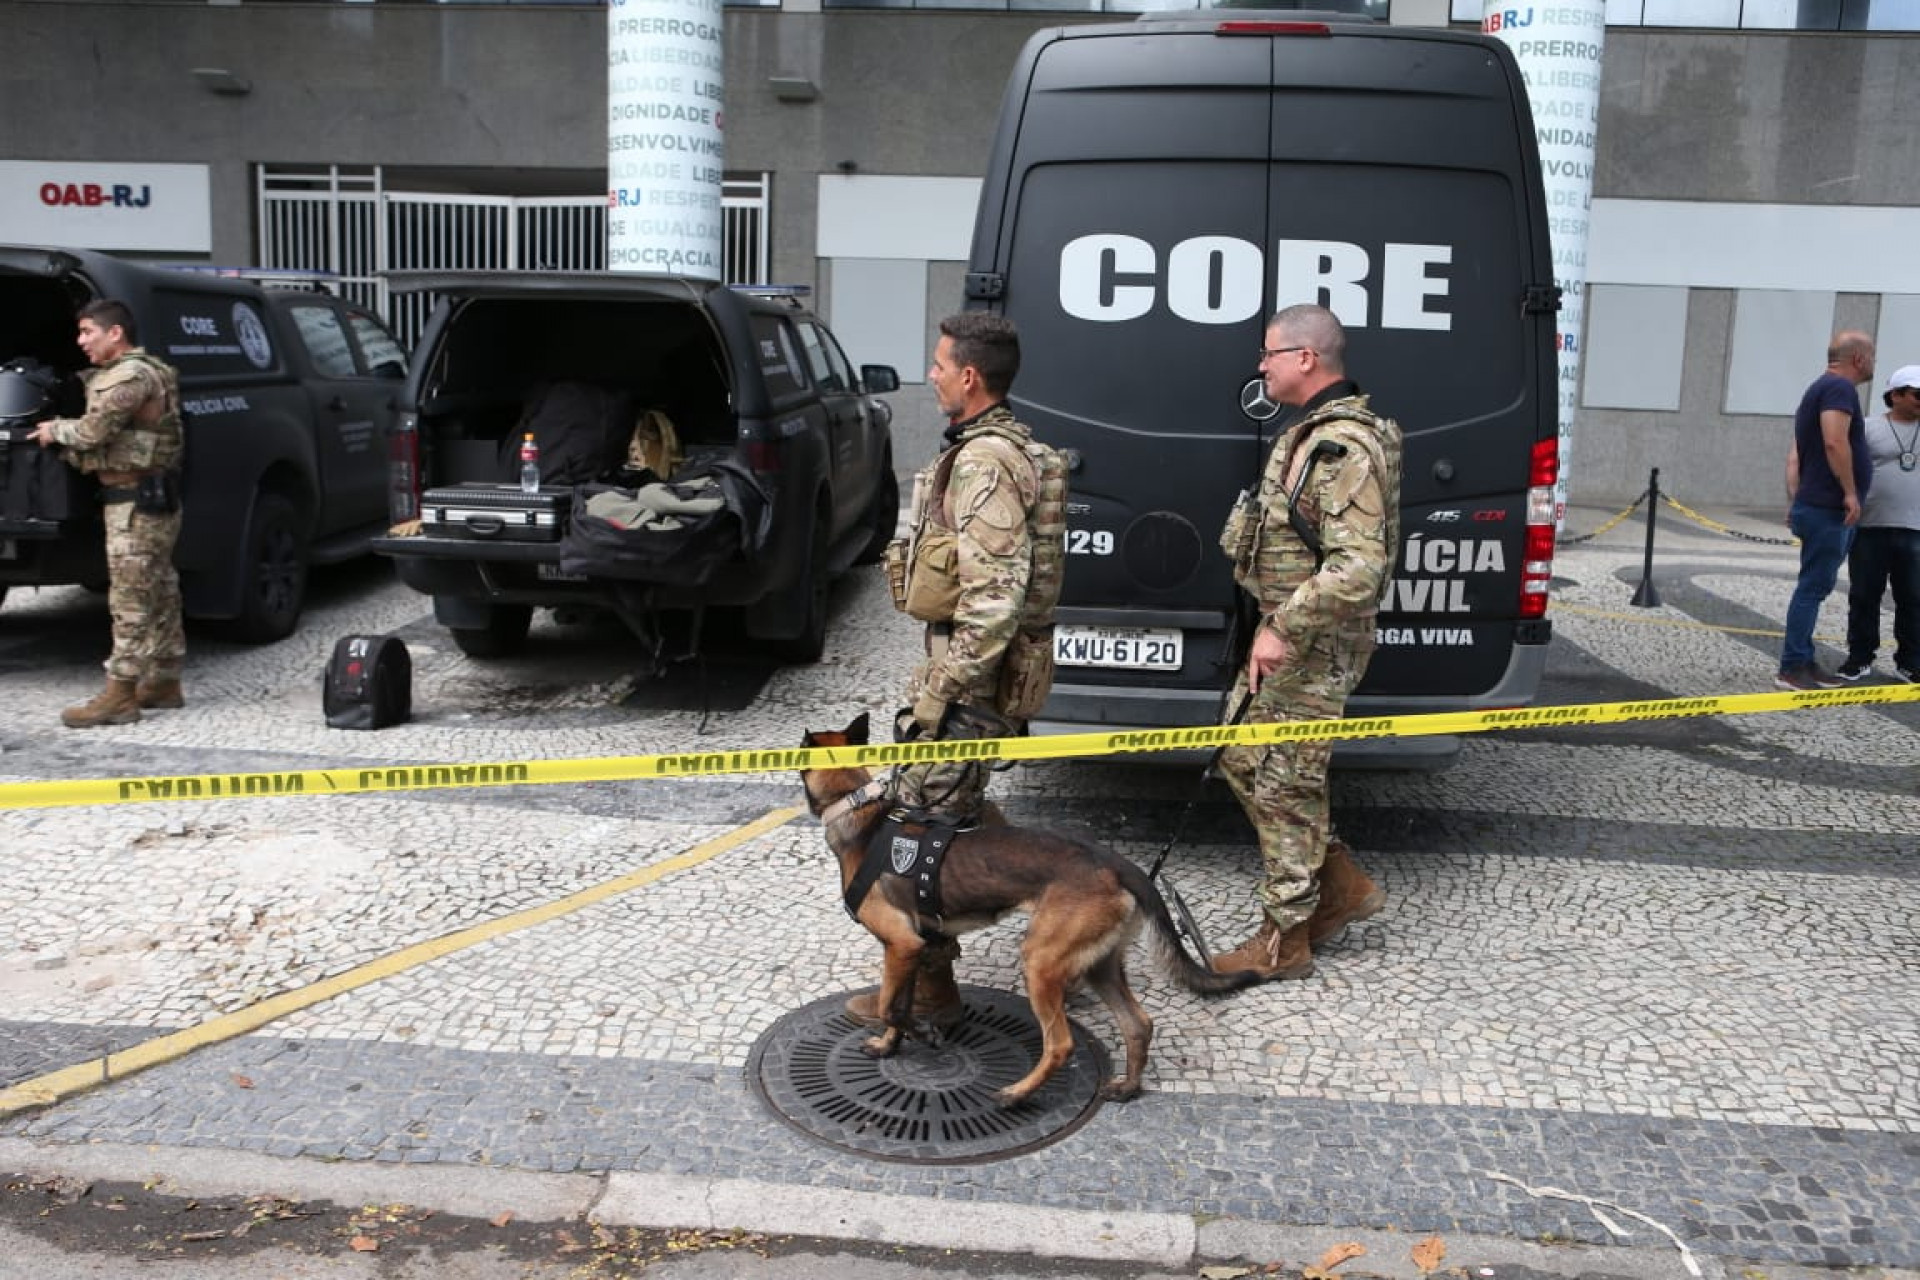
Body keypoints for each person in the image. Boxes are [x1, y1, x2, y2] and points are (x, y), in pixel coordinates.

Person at [845, 312, 1067, 1028]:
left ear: (970, 377)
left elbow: (995, 600)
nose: (932, 374)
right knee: (953, 820)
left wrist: (939, 696)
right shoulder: (994, 448)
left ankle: (928, 994)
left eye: (939, 365)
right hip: (976, 678)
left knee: (918, 829)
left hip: (970, 685)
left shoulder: (985, 462)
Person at [1210, 304, 1403, 983]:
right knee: (1240, 758)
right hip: (1287, 640)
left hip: (1312, 646)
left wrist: (1284, 627)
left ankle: (1283, 941)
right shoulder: (1309, 435)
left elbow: (1359, 568)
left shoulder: (1345, 446)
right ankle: (1339, 886)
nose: (1260, 365)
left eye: (1269, 353)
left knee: (1287, 784)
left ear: (1305, 359)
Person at [29, 299, 186, 728]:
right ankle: (164, 680)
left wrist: (53, 430)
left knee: (131, 597)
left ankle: (120, 695)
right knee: (160, 587)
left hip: (136, 502)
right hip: (149, 497)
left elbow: (92, 432)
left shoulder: (130, 375)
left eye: (87, 333)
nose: (81, 342)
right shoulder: (147, 370)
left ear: (115, 333)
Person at [1777, 331, 1875, 691]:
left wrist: (1796, 498)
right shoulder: (1839, 390)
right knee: (1812, 588)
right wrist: (1850, 492)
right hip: (1828, 508)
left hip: (1815, 504)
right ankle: (1791, 667)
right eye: (1873, 357)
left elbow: (1795, 455)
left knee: (1813, 586)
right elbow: (1834, 441)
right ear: (1860, 359)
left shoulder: (1818, 389)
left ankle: (1803, 659)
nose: (1874, 364)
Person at [1837, 364, 1920, 685]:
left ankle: (1910, 663)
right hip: (1870, 527)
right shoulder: (1868, 428)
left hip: (1915, 528)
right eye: (1916, 394)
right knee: (1863, 596)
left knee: (1913, 598)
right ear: (1895, 395)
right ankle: (1859, 658)